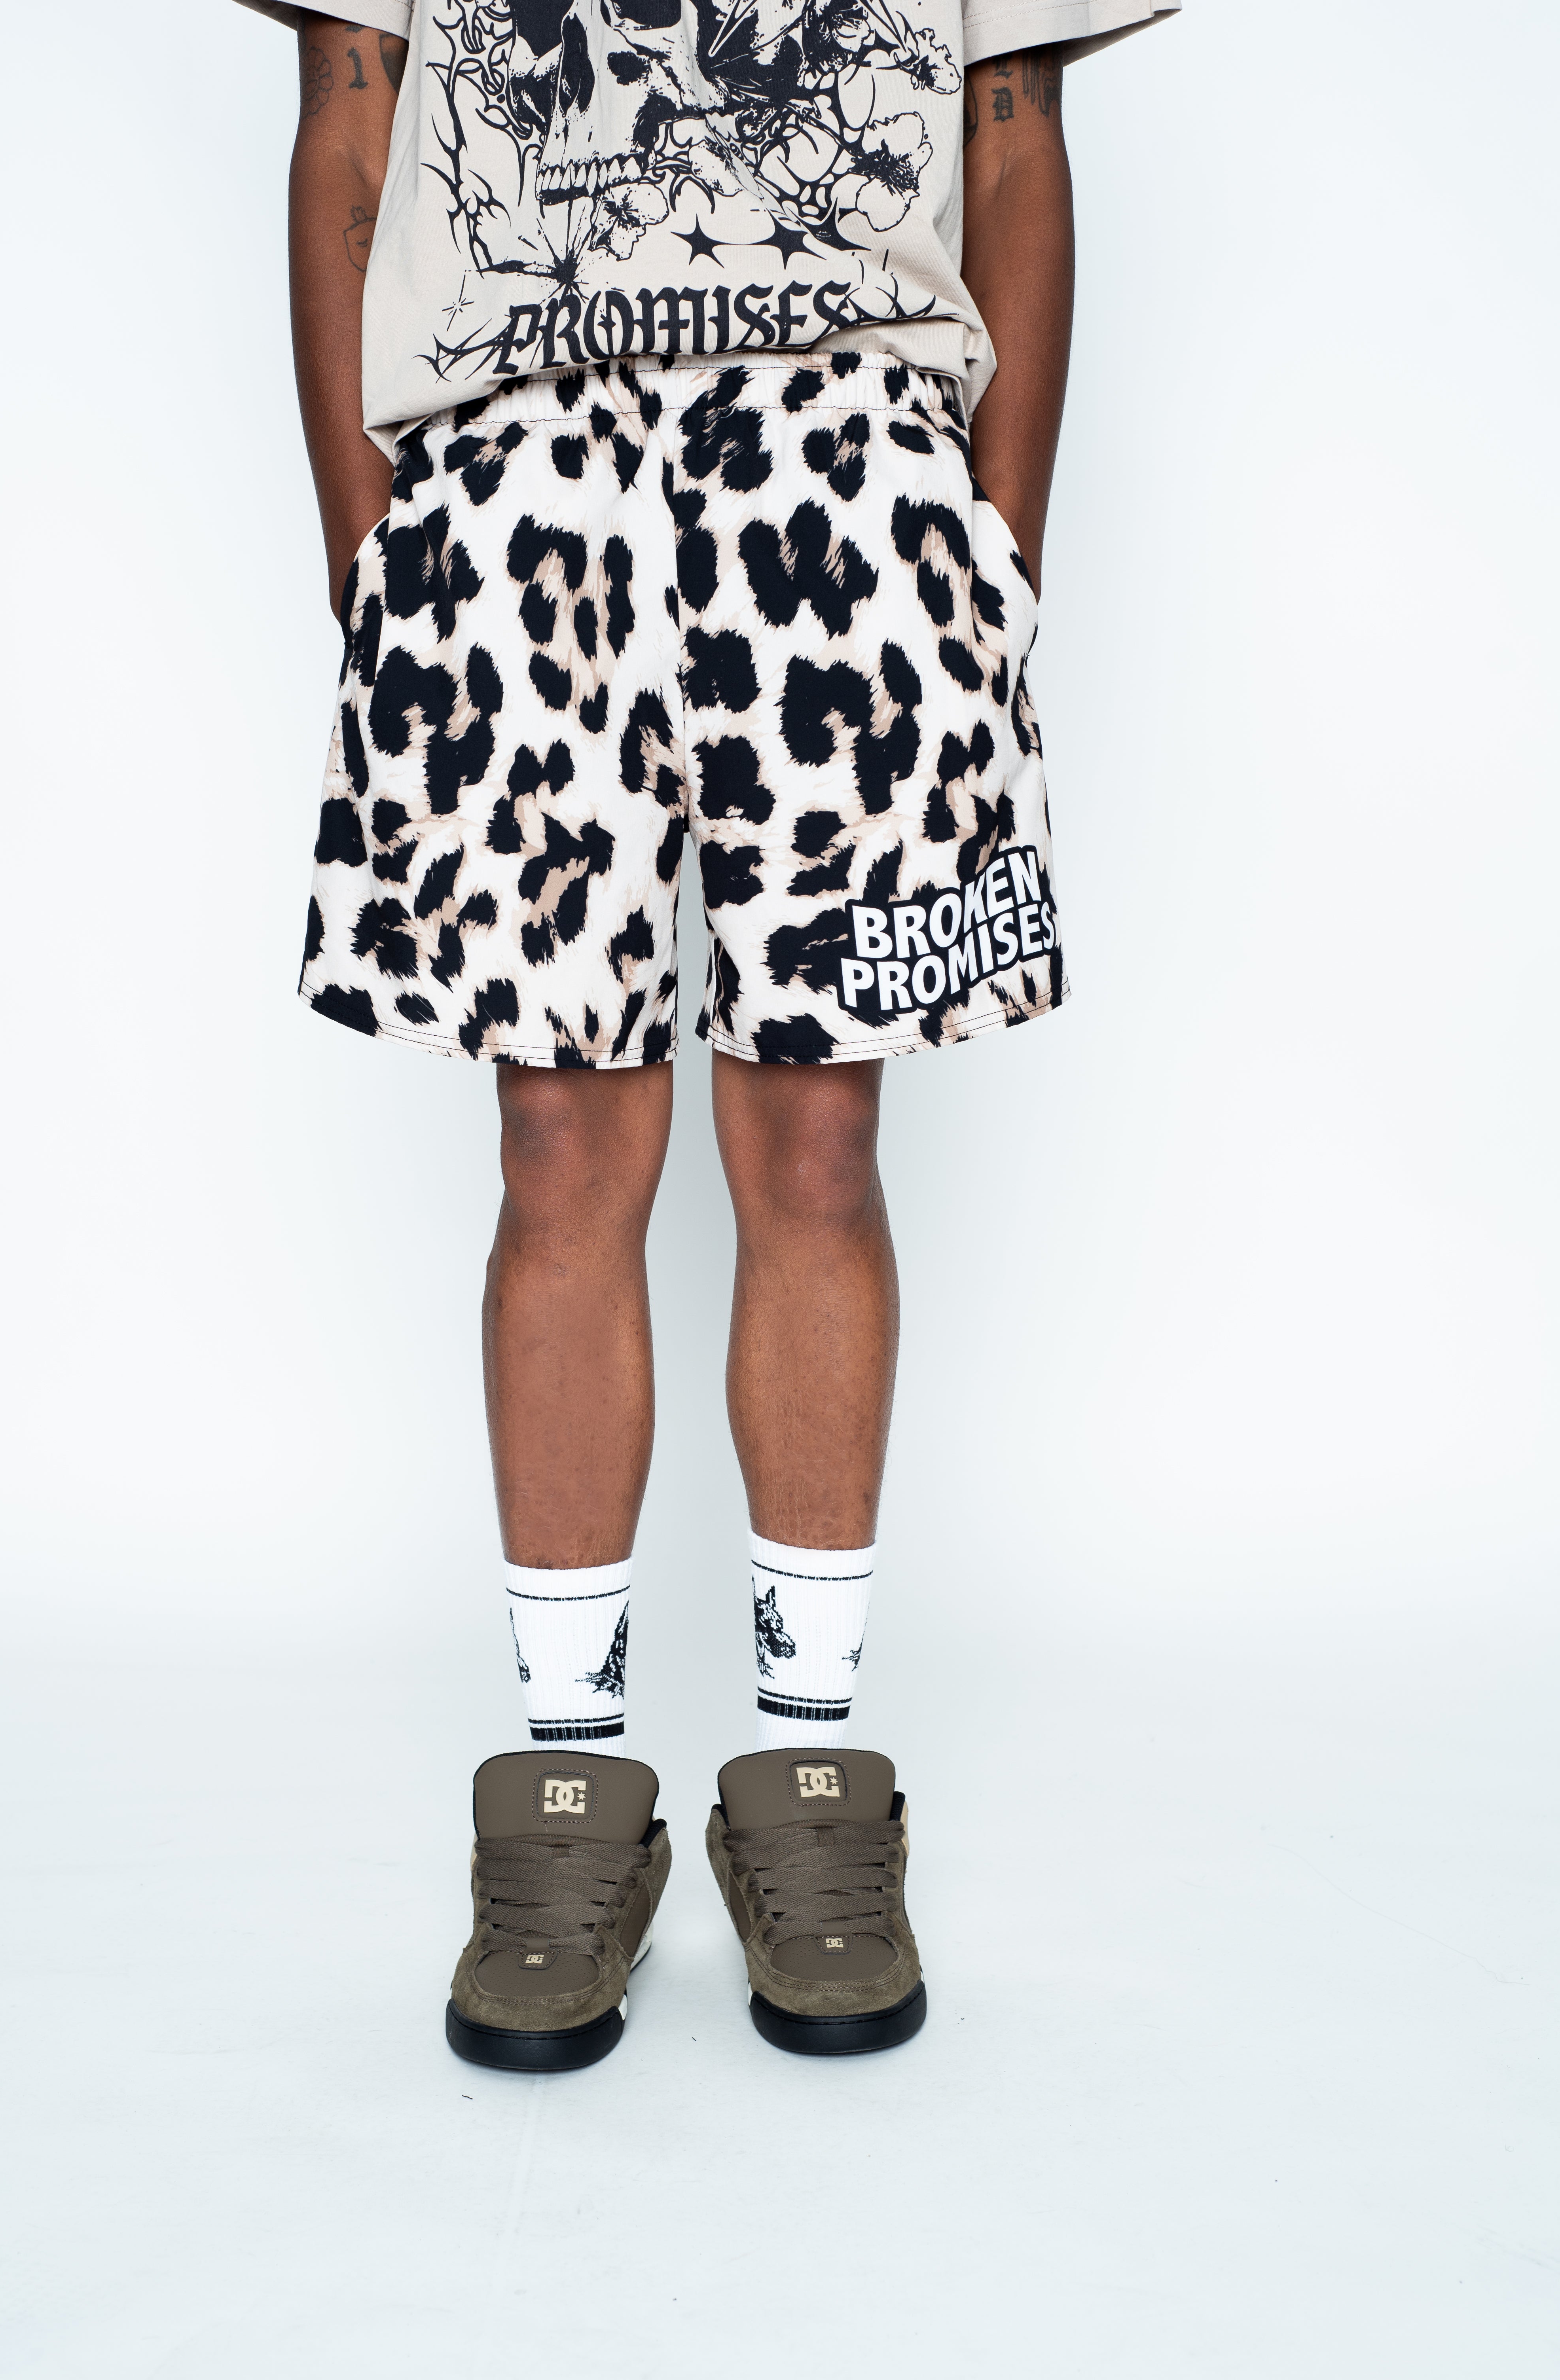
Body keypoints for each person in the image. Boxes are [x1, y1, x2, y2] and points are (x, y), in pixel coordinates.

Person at [238, 0, 1178, 2070]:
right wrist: (368, 551)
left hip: (850, 467)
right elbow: (347, 125)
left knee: (817, 1143)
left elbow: (1011, 136)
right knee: (561, 1151)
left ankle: (810, 1775)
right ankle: (568, 1798)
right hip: (513, 471)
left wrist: (998, 560)